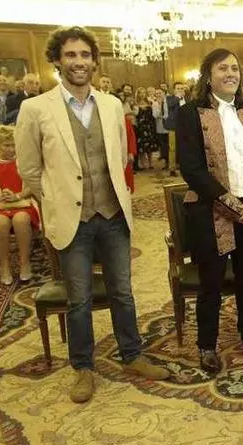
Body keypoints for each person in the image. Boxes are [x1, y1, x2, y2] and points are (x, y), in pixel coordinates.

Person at [16, 26, 169, 403]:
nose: (79, 61)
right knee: (79, 299)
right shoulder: (36, 109)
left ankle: (132, 355)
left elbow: (120, 157)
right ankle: (83, 367)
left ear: (94, 61)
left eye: (85, 55)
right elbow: (29, 170)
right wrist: (56, 198)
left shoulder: (112, 105)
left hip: (113, 214)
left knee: (123, 292)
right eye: (70, 55)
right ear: (57, 60)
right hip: (72, 219)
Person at [175, 48, 243, 374]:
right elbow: (190, 168)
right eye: (222, 68)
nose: (230, 73)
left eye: (234, 68)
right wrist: (229, 203)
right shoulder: (190, 113)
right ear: (208, 76)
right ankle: (207, 344)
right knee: (211, 283)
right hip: (209, 210)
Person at [0, 125, 39, 285]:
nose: (12, 149)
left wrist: (17, 196)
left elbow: (33, 183)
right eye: (7, 145)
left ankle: (24, 262)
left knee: (21, 219)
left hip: (23, 202)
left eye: (14, 145)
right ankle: (4, 265)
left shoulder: (25, 160)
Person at [133, 86, 159, 170]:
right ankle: (143, 163)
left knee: (150, 145)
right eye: (140, 93)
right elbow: (135, 115)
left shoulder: (149, 102)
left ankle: (151, 163)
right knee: (142, 146)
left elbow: (154, 113)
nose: (142, 94)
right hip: (141, 126)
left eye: (144, 92)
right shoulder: (135, 103)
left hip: (149, 125)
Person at [150, 87, 169, 178]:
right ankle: (164, 160)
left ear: (164, 93)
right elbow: (155, 115)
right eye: (156, 93)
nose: (158, 95)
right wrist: (159, 106)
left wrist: (163, 115)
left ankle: (169, 161)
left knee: (169, 145)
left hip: (169, 126)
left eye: (160, 93)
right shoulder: (154, 104)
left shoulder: (168, 102)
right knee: (162, 144)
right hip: (160, 127)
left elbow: (168, 114)